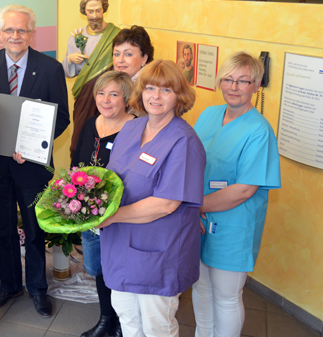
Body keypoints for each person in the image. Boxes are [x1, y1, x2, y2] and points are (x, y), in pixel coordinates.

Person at [98, 60, 206, 337]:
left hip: (159, 250)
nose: (155, 97)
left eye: (166, 90)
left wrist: (108, 217)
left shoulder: (184, 141)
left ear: (179, 96)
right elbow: (112, 179)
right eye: (149, 88)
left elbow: (166, 203)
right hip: (121, 244)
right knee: (126, 316)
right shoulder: (133, 128)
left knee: (156, 324)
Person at [0, 4, 70, 318]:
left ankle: (37, 289)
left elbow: (62, 118)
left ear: (33, 33)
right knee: (2, 229)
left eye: (21, 30)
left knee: (33, 230)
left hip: (32, 167)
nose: (15, 36)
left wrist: (32, 148)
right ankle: (9, 285)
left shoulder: (50, 67)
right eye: (9, 30)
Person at [192, 52, 281, 337]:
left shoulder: (259, 131)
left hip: (232, 226)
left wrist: (195, 207)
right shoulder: (209, 115)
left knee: (226, 297)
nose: (234, 87)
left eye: (243, 81)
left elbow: (244, 189)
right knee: (200, 286)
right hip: (199, 221)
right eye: (228, 79)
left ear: (256, 85)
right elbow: (190, 161)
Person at [71, 70, 135, 337]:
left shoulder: (135, 128)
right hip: (91, 214)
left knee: (120, 269)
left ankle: (124, 323)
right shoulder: (89, 124)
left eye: (114, 94)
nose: (106, 100)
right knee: (99, 269)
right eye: (101, 93)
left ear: (127, 99)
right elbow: (77, 165)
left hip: (120, 214)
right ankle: (106, 319)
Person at [62, 0, 121, 157]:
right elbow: (67, 73)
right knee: (80, 138)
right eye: (90, 11)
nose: (94, 15)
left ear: (104, 9)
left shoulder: (116, 35)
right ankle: (78, 173)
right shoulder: (76, 36)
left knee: (109, 136)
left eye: (98, 10)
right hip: (85, 96)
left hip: (111, 95)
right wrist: (70, 60)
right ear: (84, 12)